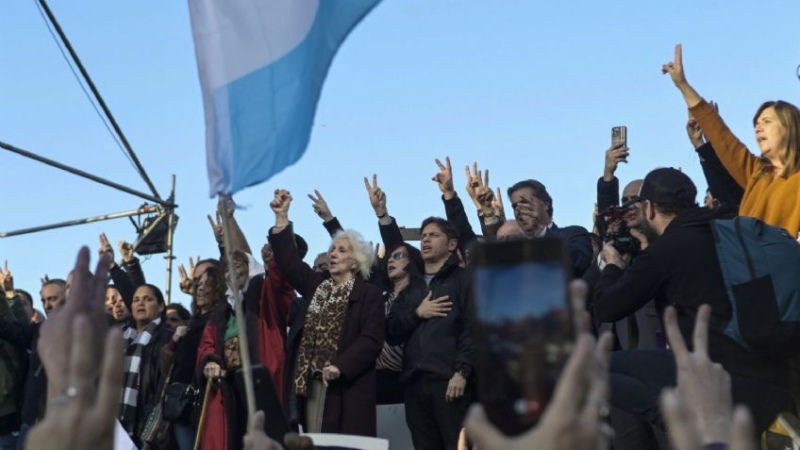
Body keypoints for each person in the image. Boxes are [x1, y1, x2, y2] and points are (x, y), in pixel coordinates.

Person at [592, 168, 794, 449]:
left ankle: (685, 421)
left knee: (592, 368)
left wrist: (612, 265)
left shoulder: (667, 251)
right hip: (774, 370)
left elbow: (606, 307)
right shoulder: (730, 227)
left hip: (721, 379)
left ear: (648, 208)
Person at [268, 188, 384, 436]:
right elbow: (289, 263)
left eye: (342, 251)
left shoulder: (368, 294)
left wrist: (340, 366)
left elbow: (371, 340)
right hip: (310, 383)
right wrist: (281, 218)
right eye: (332, 249)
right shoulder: (317, 285)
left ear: (356, 262)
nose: (333, 254)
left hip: (345, 386)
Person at [663, 44, 800, 236]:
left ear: (790, 127)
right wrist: (683, 85)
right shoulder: (755, 173)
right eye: (756, 123)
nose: (758, 127)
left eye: (767, 121)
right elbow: (722, 137)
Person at [386, 216, 474, 450]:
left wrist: (462, 372)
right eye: (423, 236)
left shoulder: (464, 280)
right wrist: (417, 313)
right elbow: (391, 331)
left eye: (433, 235)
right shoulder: (411, 287)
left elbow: (473, 328)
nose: (426, 240)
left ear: (452, 245)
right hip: (414, 386)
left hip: (450, 382)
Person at [166, 259, 225, 450]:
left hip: (207, 401)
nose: (199, 289)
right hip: (181, 405)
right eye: (197, 284)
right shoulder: (190, 323)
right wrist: (174, 341)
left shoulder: (221, 319)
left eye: (206, 284)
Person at [119, 284, 173, 446]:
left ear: (161, 306)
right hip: (115, 423)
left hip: (146, 421)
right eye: (136, 300)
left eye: (148, 299)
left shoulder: (167, 338)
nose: (140, 304)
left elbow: (162, 385)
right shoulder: (120, 336)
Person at [507, 179, 593, 277]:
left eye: (525, 203)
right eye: (515, 206)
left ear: (545, 205)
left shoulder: (574, 233)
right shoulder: (514, 244)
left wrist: (539, 232)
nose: (519, 210)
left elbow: (579, 263)